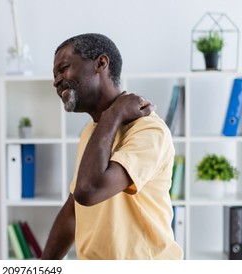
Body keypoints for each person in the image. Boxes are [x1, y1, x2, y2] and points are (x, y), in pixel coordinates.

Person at [42, 33, 182, 260]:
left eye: (64, 68)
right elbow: (74, 209)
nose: (57, 81)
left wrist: (114, 114)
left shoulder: (148, 130)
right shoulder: (93, 131)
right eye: (55, 74)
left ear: (101, 63)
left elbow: (89, 191)